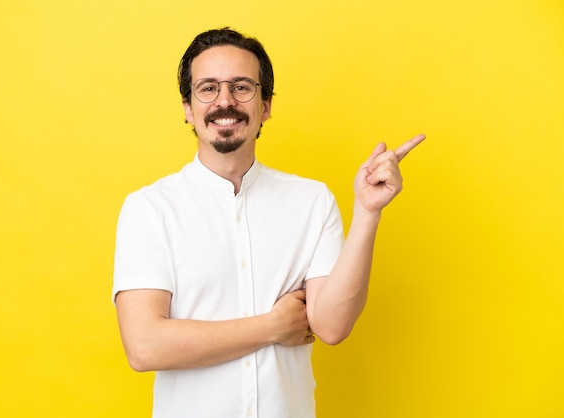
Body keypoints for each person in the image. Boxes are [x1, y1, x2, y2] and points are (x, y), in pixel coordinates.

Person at [112, 27, 425, 418]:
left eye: (242, 87)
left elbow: (330, 325)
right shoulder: (149, 209)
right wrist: (272, 326)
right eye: (208, 88)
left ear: (266, 105)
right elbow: (144, 346)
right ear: (188, 108)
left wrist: (367, 211)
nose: (225, 101)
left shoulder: (312, 202)